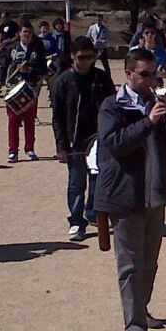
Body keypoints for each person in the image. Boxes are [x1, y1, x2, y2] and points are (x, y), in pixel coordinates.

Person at [95, 48, 166, 331]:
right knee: (130, 265)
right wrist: (148, 121)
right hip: (124, 195)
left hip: (155, 193)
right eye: (145, 74)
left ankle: (142, 309)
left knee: (149, 262)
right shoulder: (112, 106)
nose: (152, 80)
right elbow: (114, 144)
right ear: (129, 74)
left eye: (155, 74)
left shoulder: (156, 102)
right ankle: (134, 326)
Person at [51, 37, 114, 241]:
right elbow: (58, 117)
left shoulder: (102, 78)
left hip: (99, 138)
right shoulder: (63, 81)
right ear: (72, 56)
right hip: (74, 140)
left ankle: (93, 213)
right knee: (77, 183)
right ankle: (77, 222)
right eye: (81, 57)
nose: (86, 61)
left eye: (90, 57)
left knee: (98, 179)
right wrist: (61, 144)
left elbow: (113, 107)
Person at [0, 22, 49, 162]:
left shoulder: (38, 49)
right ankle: (13, 151)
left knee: (29, 120)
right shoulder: (11, 49)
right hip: (13, 89)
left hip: (30, 89)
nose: (27, 34)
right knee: (13, 121)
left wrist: (29, 70)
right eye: (25, 31)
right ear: (19, 33)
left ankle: (30, 149)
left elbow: (43, 70)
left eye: (29, 32)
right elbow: (4, 67)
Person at [0, 10, 21, 93]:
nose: (3, 20)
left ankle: (11, 81)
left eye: (4, 18)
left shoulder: (15, 25)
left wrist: (8, 41)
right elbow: (1, 35)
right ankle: (0, 81)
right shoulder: (2, 26)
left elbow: (17, 36)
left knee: (13, 65)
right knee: (3, 64)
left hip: (13, 47)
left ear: (8, 17)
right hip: (4, 48)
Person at [87, 13, 114, 88]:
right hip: (94, 49)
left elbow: (109, 38)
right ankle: (90, 79)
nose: (98, 20)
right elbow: (88, 37)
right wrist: (92, 43)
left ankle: (109, 79)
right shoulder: (92, 28)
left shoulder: (105, 29)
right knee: (91, 64)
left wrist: (103, 41)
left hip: (102, 49)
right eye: (97, 19)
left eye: (100, 19)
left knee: (106, 65)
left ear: (102, 20)